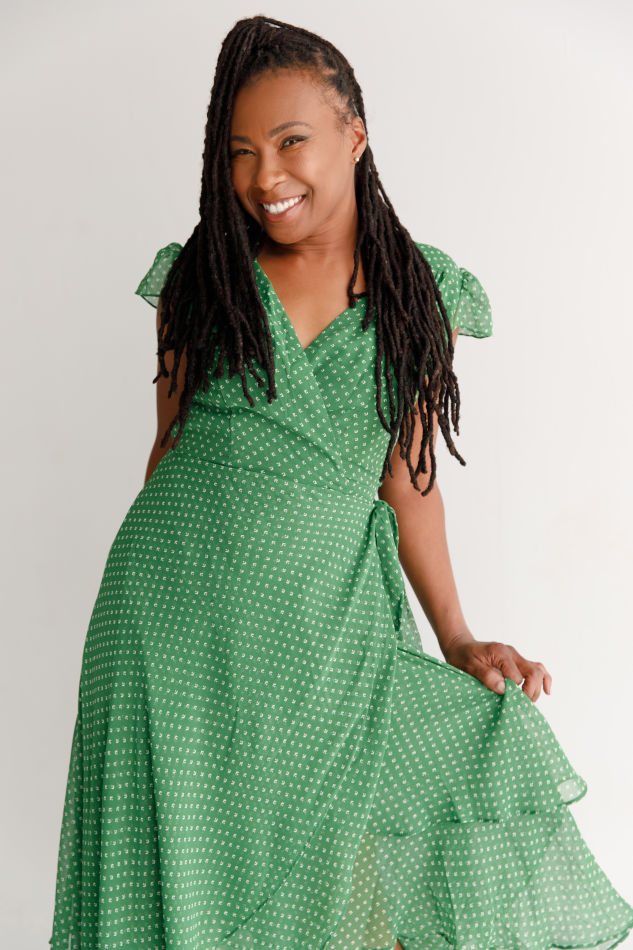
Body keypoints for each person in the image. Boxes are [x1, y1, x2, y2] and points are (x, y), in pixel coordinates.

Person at [48, 14, 633, 950]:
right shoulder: (203, 280)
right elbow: (168, 453)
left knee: (356, 904)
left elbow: (409, 480)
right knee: (182, 897)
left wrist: (456, 636)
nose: (264, 178)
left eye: (291, 142)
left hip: (328, 633)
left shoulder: (415, 294)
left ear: (354, 135)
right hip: (168, 631)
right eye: (240, 153)